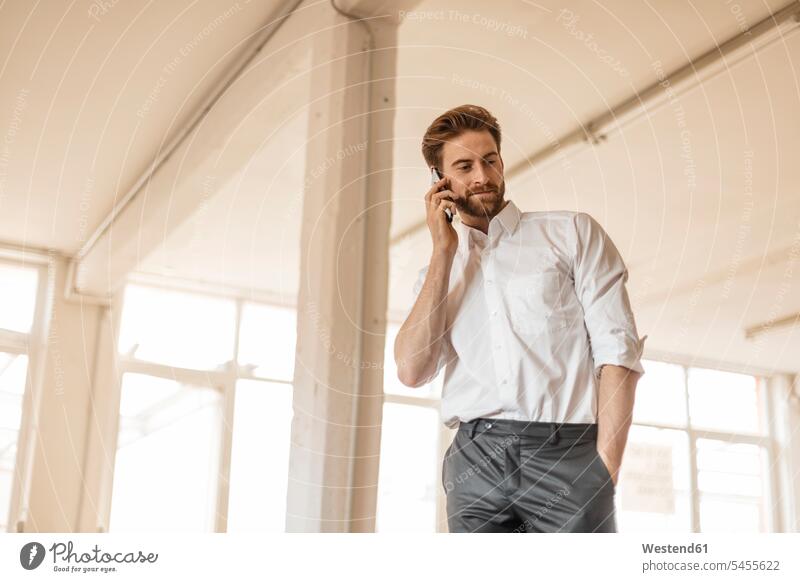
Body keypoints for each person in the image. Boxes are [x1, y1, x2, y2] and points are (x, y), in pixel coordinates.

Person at [394, 104, 647, 533]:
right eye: (464, 166)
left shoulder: (571, 233)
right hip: (475, 460)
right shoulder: (438, 273)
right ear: (440, 182)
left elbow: (617, 350)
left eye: (490, 160)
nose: (481, 176)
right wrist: (443, 251)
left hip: (567, 450)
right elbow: (411, 370)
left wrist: (605, 469)